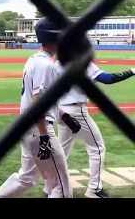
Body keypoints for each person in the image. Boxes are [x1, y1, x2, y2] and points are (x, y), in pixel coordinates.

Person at [0, 17, 72, 198]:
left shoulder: (34, 60)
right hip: (39, 130)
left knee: (26, 178)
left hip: (28, 128)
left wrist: (63, 115)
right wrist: (44, 137)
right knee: (61, 185)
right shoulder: (45, 65)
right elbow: (38, 101)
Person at [55, 61, 135, 198]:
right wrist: (132, 71)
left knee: (62, 152)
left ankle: (54, 188)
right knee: (97, 148)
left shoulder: (57, 63)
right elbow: (109, 79)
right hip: (77, 111)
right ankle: (94, 189)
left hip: (60, 111)